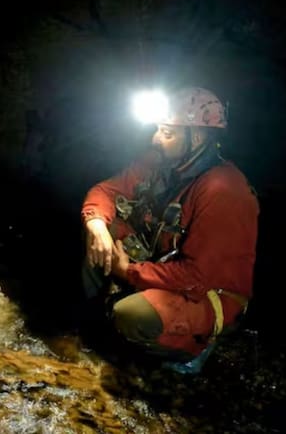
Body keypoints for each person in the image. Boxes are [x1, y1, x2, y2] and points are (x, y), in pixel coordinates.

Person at [79, 87, 260, 374]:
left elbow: (198, 275)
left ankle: (191, 351)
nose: (155, 139)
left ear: (196, 137)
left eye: (167, 133)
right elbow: (106, 190)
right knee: (100, 230)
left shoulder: (224, 190)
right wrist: (96, 224)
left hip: (207, 293)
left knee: (130, 315)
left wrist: (128, 271)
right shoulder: (160, 162)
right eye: (157, 130)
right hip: (162, 264)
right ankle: (97, 318)